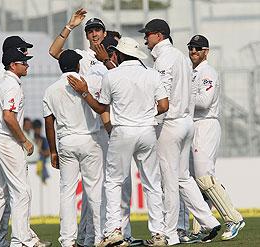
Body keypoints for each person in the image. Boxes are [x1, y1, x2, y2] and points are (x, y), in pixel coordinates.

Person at [67, 37, 169, 247]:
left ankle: (114, 230)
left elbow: (101, 107)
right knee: (152, 183)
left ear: (120, 55)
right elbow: (164, 105)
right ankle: (159, 233)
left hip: (122, 132)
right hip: (147, 130)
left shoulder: (112, 76)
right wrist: (147, 112)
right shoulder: (152, 75)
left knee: (113, 182)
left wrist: (84, 91)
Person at [138, 19, 221, 245]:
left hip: (170, 122)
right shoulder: (181, 57)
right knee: (183, 177)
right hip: (186, 122)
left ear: (159, 35)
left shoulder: (165, 58)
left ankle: (170, 233)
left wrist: (150, 118)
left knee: (169, 180)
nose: (145, 39)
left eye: (148, 34)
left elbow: (162, 94)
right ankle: (209, 221)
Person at [0, 48, 51, 247]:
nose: (27, 65)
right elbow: (9, 116)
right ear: (13, 65)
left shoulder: (0, 82)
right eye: (23, 62)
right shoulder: (11, 85)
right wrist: (25, 140)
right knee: (21, 191)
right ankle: (21, 240)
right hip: (6, 141)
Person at [183, 34, 245, 241]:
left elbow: (204, 101)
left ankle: (233, 218)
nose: (193, 52)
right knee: (194, 179)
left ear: (206, 52)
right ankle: (202, 226)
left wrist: (181, 98)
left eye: (198, 49)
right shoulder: (191, 73)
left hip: (206, 124)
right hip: (192, 125)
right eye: (191, 48)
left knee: (204, 177)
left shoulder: (207, 72)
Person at [43, 49, 104, 247]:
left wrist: (53, 151)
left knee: (67, 193)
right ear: (78, 65)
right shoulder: (90, 82)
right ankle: (99, 236)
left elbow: (48, 123)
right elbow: (102, 105)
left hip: (66, 142)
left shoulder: (51, 89)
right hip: (89, 140)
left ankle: (68, 240)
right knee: (94, 190)